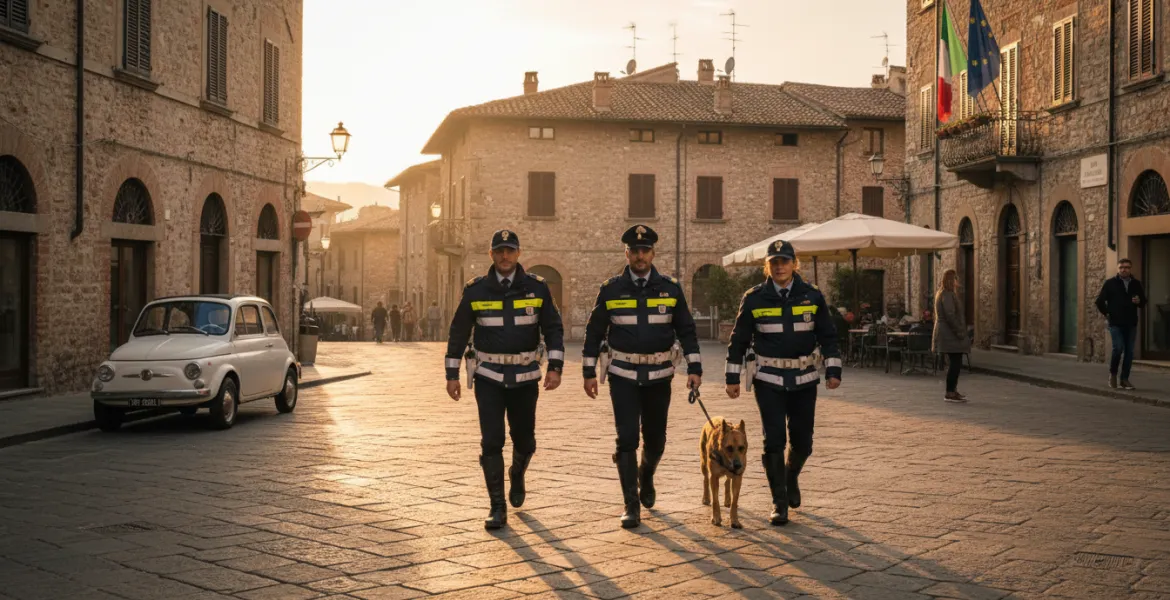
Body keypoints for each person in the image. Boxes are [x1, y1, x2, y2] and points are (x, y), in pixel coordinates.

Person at [583, 224, 702, 529]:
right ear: (627, 253)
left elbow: (686, 330)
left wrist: (695, 369)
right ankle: (630, 504)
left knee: (656, 441)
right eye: (634, 251)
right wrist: (588, 371)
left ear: (652, 253)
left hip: (659, 376)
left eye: (644, 250)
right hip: (622, 374)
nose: (639, 256)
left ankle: (645, 474)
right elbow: (595, 331)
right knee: (626, 438)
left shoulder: (671, 288)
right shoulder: (610, 289)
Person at [445, 229, 565, 530]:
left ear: (518, 253)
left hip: (525, 377)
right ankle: (497, 507)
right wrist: (452, 374)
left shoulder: (537, 288)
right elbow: (458, 332)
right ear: (491, 254)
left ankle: (518, 472)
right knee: (492, 440)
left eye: (510, 250)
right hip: (488, 377)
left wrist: (555, 367)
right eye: (499, 251)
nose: (505, 256)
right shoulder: (476, 290)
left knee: (525, 440)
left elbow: (553, 328)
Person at [725, 240, 842, 526]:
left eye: (784, 261)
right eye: (774, 262)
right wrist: (732, 377)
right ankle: (779, 503)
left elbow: (828, 335)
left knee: (803, 442)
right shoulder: (754, 298)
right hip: (769, 380)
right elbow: (739, 339)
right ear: (768, 266)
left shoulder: (812, 296)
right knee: (773, 440)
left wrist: (833, 369)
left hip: (804, 379)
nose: (779, 266)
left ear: (793, 264)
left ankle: (790, 476)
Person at [1095, 258, 1147, 390]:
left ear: (1130, 269)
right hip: (1115, 323)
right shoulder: (1110, 283)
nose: (1124, 269)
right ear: (1118, 269)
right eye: (1121, 267)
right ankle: (1113, 374)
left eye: (1127, 267)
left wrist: (1138, 301)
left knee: (1129, 352)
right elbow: (1100, 301)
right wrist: (1107, 314)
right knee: (1118, 348)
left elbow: (1143, 302)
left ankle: (1124, 379)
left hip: (1131, 323)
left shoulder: (1136, 284)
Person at [933, 269, 970, 402]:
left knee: (956, 362)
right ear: (951, 280)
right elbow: (950, 315)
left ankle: (952, 390)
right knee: (955, 362)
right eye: (956, 279)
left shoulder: (945, 294)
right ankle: (950, 392)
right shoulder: (946, 294)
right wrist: (959, 331)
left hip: (948, 333)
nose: (957, 281)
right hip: (949, 334)